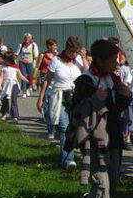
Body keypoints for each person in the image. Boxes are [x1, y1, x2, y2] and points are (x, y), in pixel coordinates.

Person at [71, 39, 132, 198]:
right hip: (94, 142)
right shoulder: (85, 82)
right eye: (113, 60)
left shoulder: (114, 79)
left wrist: (125, 96)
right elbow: (77, 111)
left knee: (112, 183)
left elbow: (116, 109)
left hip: (114, 138)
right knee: (102, 184)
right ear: (99, 60)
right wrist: (96, 99)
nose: (117, 64)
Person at [37, 36, 87, 170]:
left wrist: (83, 57)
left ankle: (82, 156)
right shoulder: (56, 60)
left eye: (76, 51)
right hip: (59, 97)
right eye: (72, 51)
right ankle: (67, 160)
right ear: (66, 48)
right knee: (64, 128)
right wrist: (41, 98)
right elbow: (47, 80)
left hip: (76, 98)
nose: (74, 54)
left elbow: (87, 73)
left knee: (77, 128)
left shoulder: (78, 60)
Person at [34, 39, 59, 139]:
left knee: (54, 104)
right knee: (45, 103)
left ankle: (54, 128)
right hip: (44, 77)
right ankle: (50, 128)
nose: (55, 47)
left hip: (55, 79)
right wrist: (33, 78)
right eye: (54, 45)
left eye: (56, 45)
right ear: (49, 46)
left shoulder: (58, 56)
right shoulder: (42, 55)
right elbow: (37, 67)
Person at [0, 51, 25, 122]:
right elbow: (1, 77)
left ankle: (15, 115)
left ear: (9, 60)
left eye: (4, 59)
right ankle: (4, 113)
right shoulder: (3, 67)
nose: (3, 60)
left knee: (14, 100)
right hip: (6, 86)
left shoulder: (15, 67)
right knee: (5, 99)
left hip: (14, 85)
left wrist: (29, 81)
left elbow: (21, 76)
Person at [16, 33, 39, 97]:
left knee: (30, 76)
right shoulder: (21, 45)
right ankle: (24, 92)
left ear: (31, 38)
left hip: (30, 62)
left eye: (28, 38)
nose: (27, 39)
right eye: (25, 38)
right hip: (22, 62)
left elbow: (36, 55)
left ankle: (28, 88)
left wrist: (34, 63)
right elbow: (17, 53)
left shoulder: (33, 45)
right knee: (23, 76)